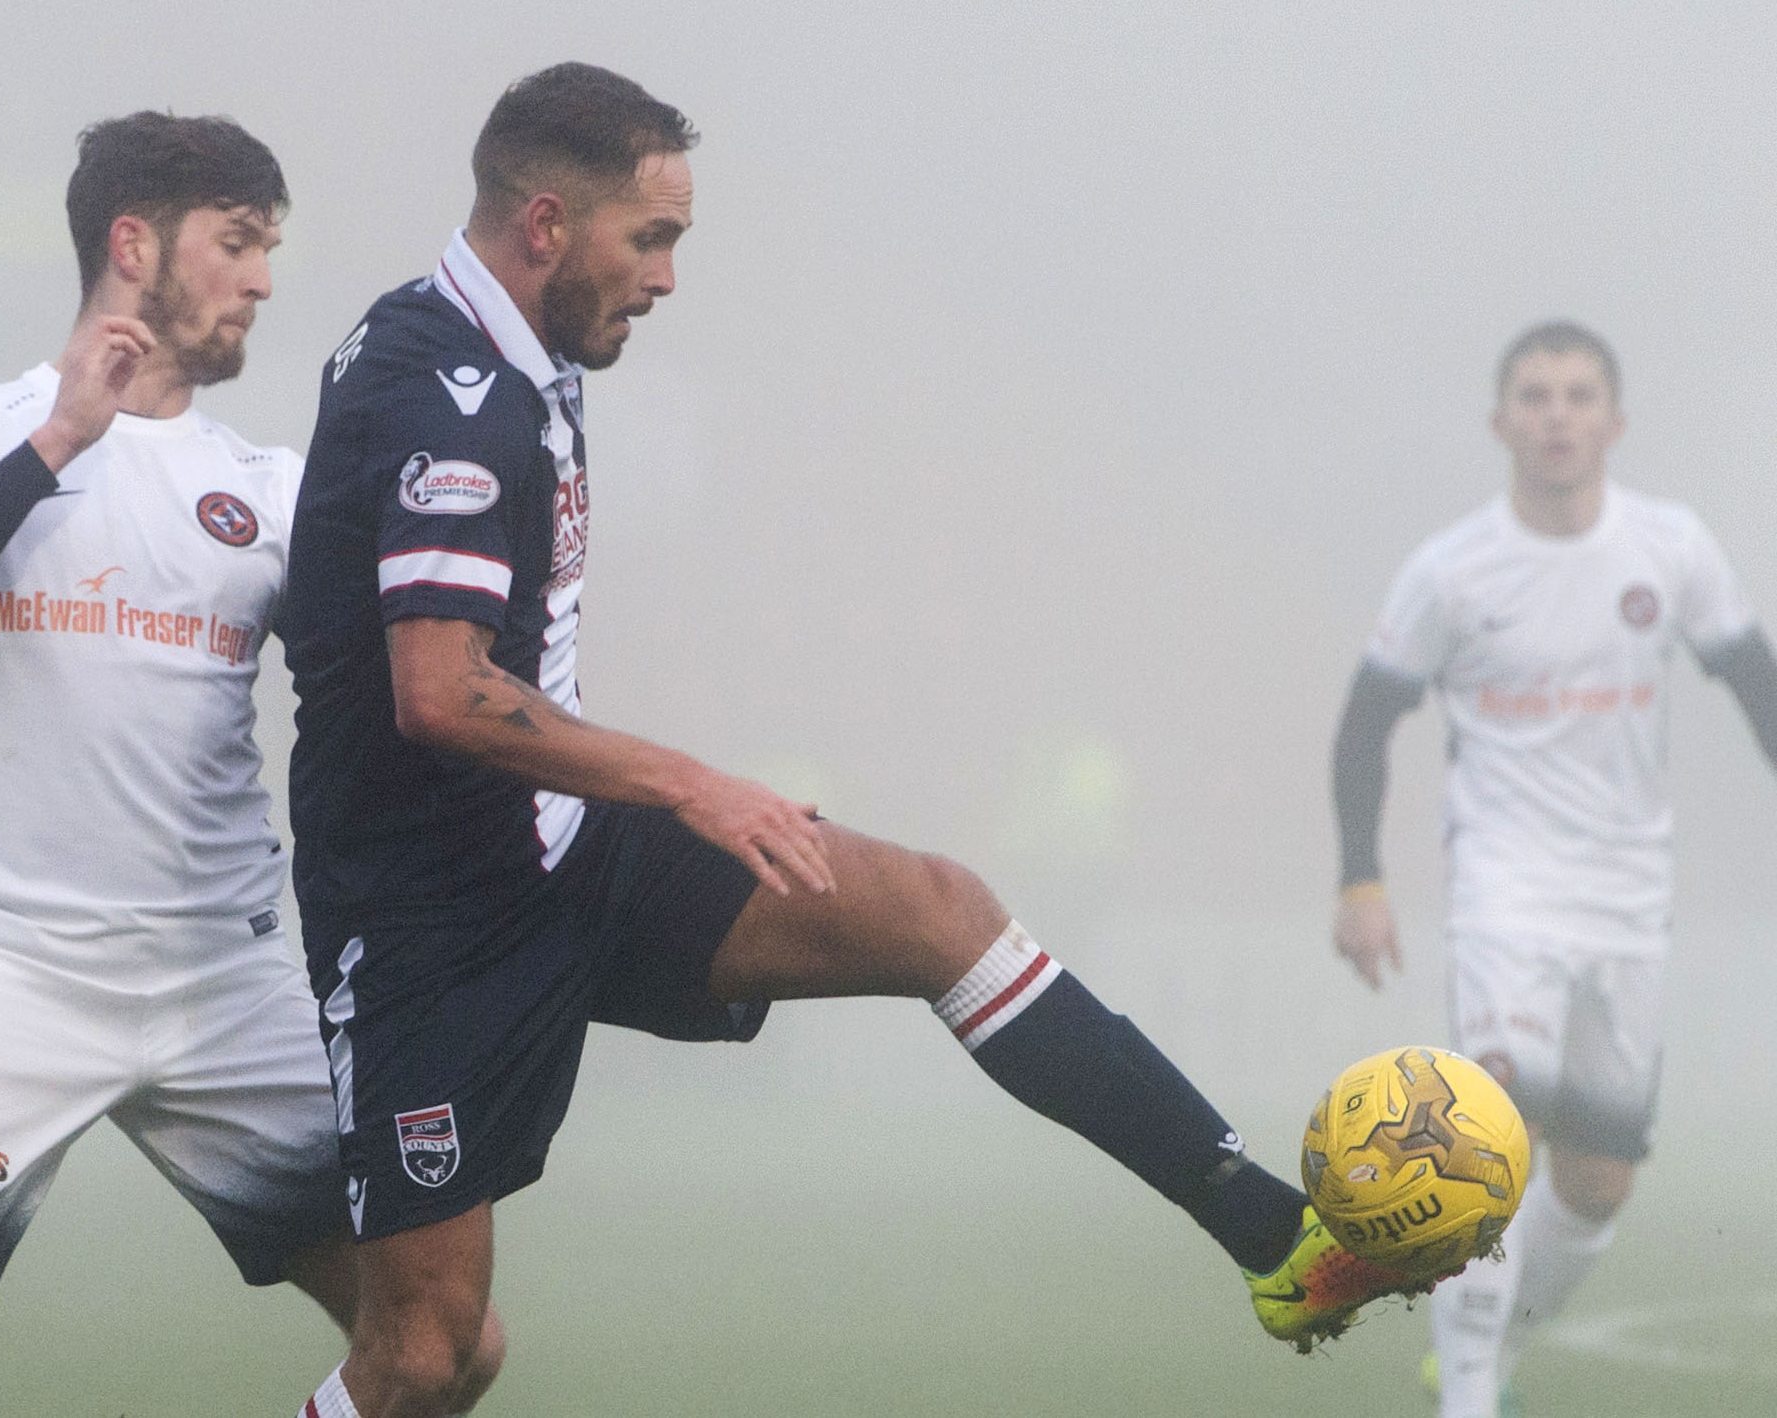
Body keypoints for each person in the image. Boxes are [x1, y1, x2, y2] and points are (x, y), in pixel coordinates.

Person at [277, 62, 1424, 1418]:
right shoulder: (445, 390)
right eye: (650, 240)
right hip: (429, 924)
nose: (664, 278)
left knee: (938, 911)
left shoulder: (520, 351)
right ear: (543, 225)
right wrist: (694, 784)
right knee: (429, 1354)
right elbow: (442, 691)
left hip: (565, 850)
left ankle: (1270, 1233)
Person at [0, 112, 500, 1418]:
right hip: (16, 973)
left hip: (230, 982)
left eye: (270, 248)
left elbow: (393, 704)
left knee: (444, 1345)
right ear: (133, 243)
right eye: (238, 241)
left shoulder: (272, 485)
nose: (262, 276)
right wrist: (58, 444)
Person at [1330, 321, 1777, 1418]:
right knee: (1486, 1138)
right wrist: (1360, 877)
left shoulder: (1668, 548)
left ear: (1612, 421)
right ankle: (1468, 1398)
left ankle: (1487, 1345)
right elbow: (1364, 722)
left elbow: (1751, 679)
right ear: (1499, 423)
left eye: (1578, 395)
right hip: (1502, 891)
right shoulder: (1451, 569)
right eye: (1533, 396)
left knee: (1595, 1181)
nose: (1556, 415)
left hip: (1627, 898)